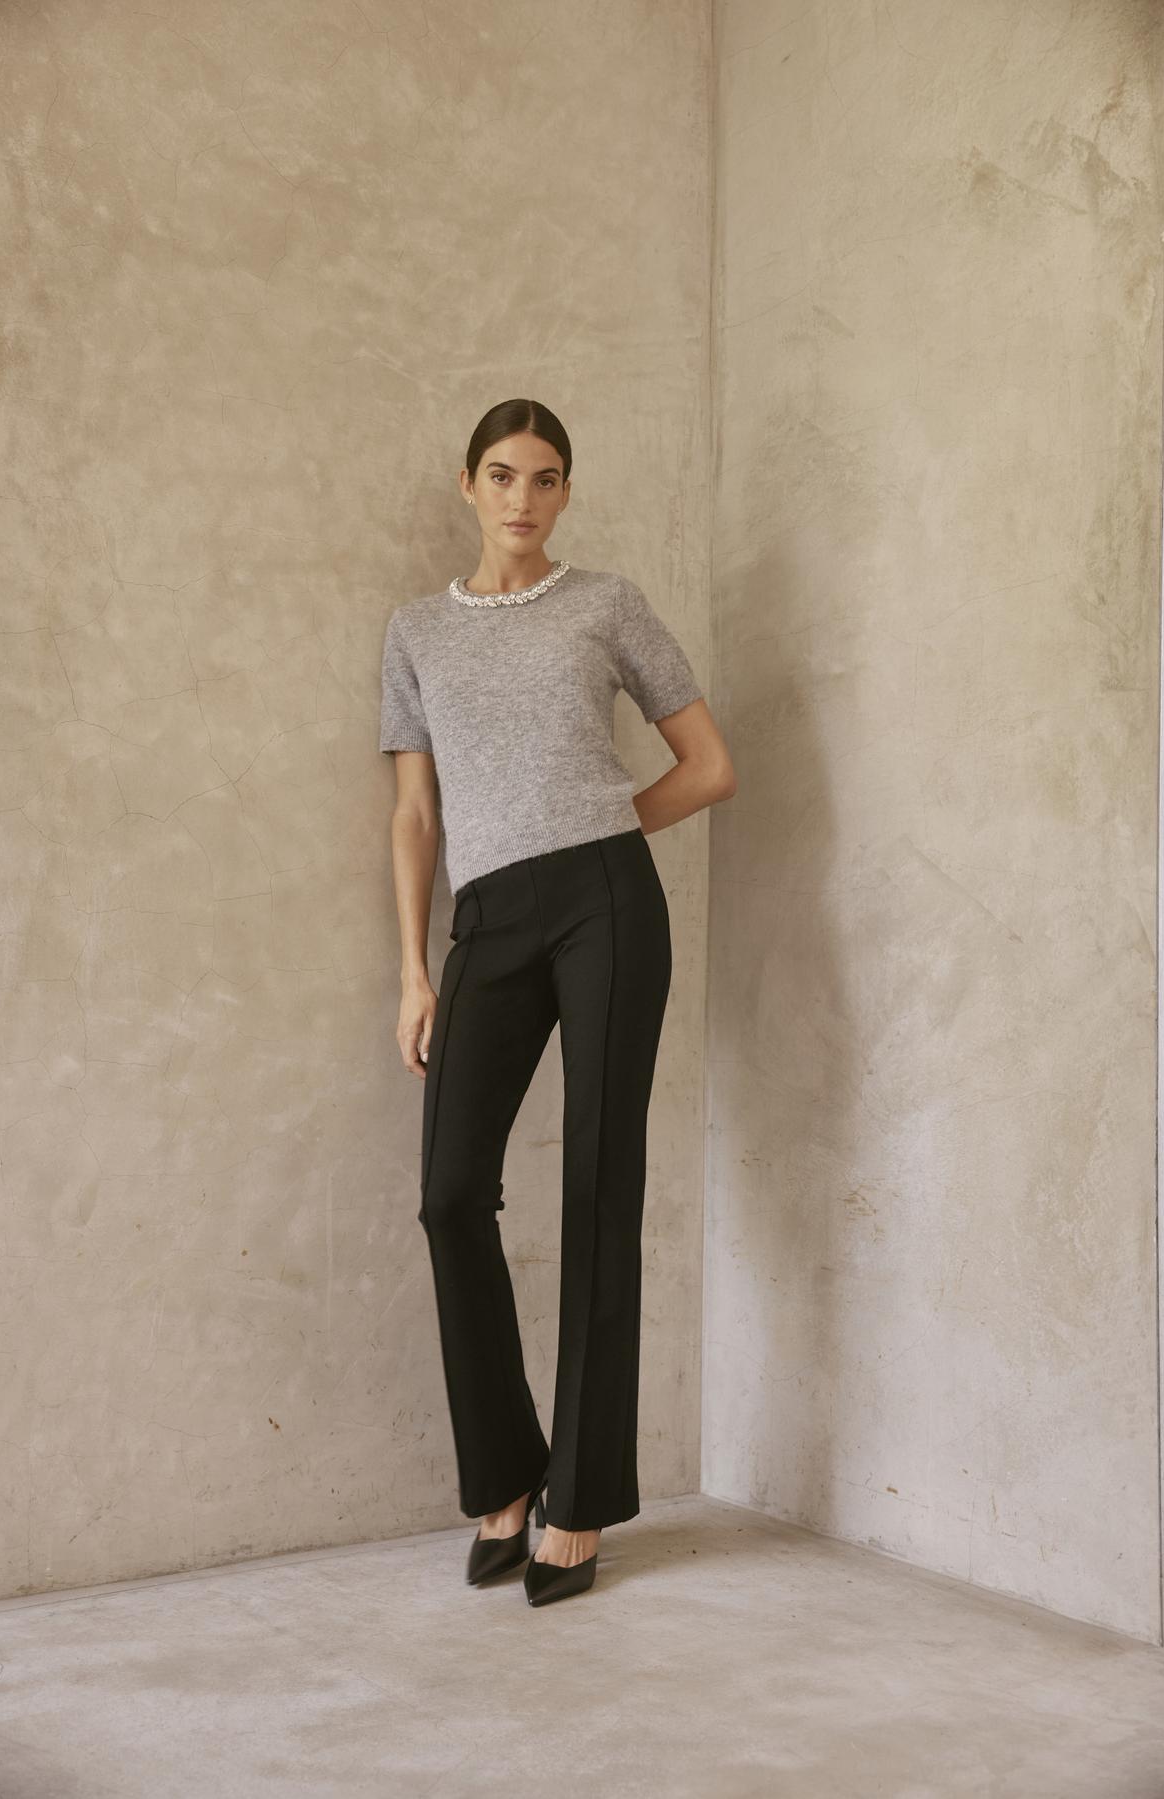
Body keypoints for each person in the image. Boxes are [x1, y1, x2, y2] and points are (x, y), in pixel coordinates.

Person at [378, 397, 735, 1606]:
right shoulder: (417, 630)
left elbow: (710, 764)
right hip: (486, 917)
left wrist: (597, 834)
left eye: (544, 478)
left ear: (566, 493)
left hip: (606, 904)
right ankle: (505, 1476)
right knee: (446, 1194)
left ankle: (580, 1499)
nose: (521, 498)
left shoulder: (608, 603)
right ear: (467, 486)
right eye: (500, 475)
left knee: (597, 1182)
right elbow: (416, 813)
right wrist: (416, 968)